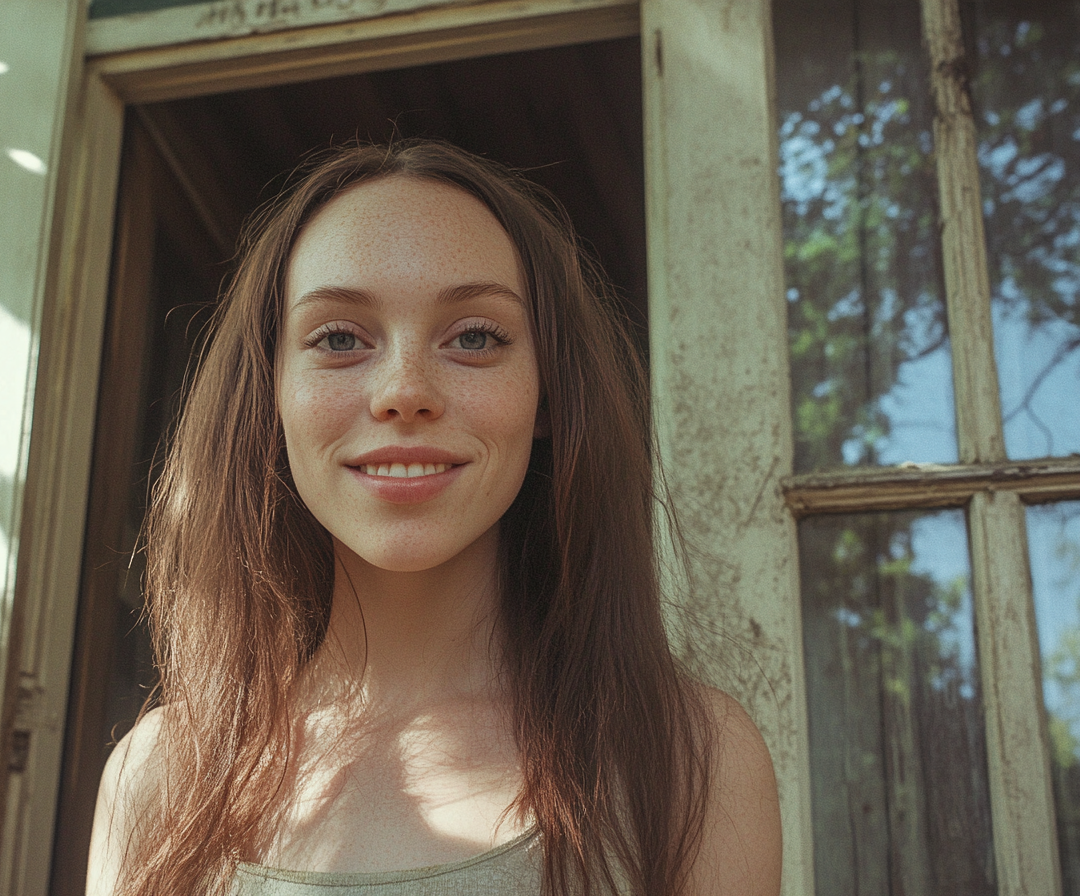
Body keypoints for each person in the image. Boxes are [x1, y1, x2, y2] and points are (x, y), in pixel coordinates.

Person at [86, 139, 782, 896]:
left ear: (547, 394)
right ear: (270, 395)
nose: (404, 390)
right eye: (340, 338)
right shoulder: (158, 778)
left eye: (475, 337)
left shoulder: (691, 760)